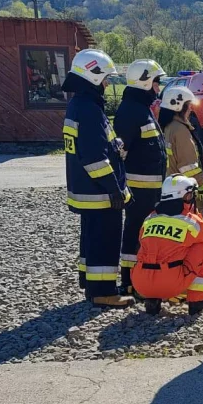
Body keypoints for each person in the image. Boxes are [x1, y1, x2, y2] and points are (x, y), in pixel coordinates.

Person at [61, 48, 134, 307]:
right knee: (105, 240)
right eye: (105, 78)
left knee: (91, 238)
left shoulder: (78, 105)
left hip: (87, 190)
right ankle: (104, 292)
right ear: (92, 76)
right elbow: (94, 158)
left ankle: (91, 285)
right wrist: (114, 189)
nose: (106, 84)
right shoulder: (90, 110)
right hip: (99, 192)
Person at [159, 86, 203, 274]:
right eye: (189, 106)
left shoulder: (167, 127)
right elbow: (189, 164)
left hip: (172, 187)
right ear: (179, 106)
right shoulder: (180, 131)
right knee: (202, 223)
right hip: (187, 188)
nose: (191, 109)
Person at [114, 59, 167, 294]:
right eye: (156, 83)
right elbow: (120, 152)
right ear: (145, 83)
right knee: (135, 230)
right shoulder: (130, 111)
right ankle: (128, 279)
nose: (158, 88)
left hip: (150, 188)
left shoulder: (140, 108)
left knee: (143, 232)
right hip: (138, 189)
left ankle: (141, 276)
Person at [131, 175, 203, 316]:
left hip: (141, 283)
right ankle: (196, 302)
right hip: (170, 284)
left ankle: (152, 302)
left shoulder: (150, 218)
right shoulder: (193, 222)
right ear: (186, 196)